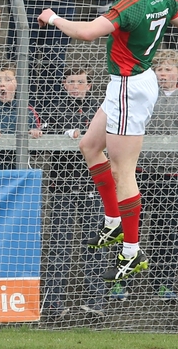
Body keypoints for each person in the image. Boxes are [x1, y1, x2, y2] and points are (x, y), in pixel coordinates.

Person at [37, 0, 178, 282]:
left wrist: (52, 17)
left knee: (124, 170)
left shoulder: (130, 5)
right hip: (130, 82)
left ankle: (131, 252)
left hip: (128, 86)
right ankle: (112, 222)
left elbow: (86, 33)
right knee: (90, 146)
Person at [129, 49, 178, 301]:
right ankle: (122, 280)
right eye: (159, 68)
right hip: (139, 172)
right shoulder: (145, 95)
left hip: (170, 176)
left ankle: (163, 282)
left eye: (168, 69)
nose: (163, 73)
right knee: (131, 227)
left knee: (166, 230)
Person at [38, 67, 107, 318]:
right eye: (71, 82)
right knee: (59, 245)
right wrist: (64, 135)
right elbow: (40, 139)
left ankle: (96, 302)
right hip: (63, 186)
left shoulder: (102, 109)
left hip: (93, 185)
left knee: (96, 244)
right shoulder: (53, 108)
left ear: (89, 85)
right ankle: (53, 303)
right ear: (64, 85)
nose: (76, 86)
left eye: (81, 82)